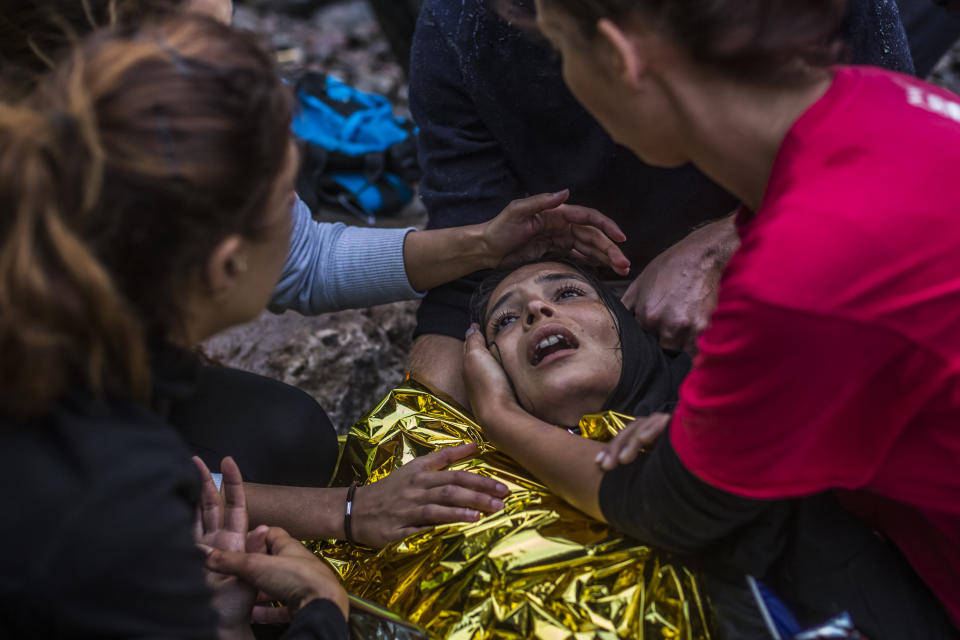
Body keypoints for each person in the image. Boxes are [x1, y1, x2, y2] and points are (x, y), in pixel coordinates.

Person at [0, 12, 627, 635]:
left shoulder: (67, 276)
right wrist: (323, 602)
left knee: (281, 431)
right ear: (225, 264)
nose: (300, 220)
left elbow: (306, 257)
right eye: (284, 197)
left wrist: (485, 245)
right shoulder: (103, 487)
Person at [460, 0, 960, 632]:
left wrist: (499, 417)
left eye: (564, 53)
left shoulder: (802, 267)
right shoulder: (878, 100)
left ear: (621, 58)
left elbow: (667, 503)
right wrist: (713, 419)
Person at [405, 0, 960, 408]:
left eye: (563, 49)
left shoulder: (797, 286)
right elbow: (470, 258)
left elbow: (680, 499)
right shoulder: (459, 29)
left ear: (621, 61)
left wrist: (724, 246)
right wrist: (424, 427)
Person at [467, 258, 955, 637]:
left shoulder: (756, 395)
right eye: (505, 322)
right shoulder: (493, 498)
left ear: (634, 324)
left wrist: (501, 418)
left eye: (569, 293)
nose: (535, 311)